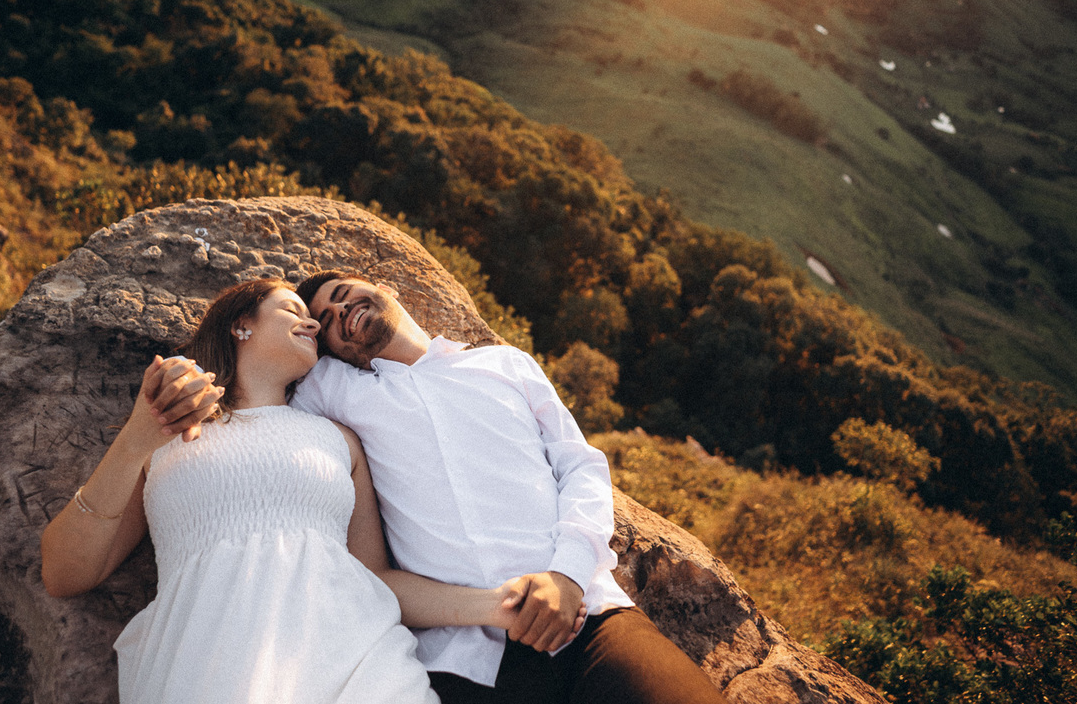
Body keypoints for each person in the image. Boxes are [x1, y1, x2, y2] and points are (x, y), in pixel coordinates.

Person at [40, 278, 564, 704]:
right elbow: (64, 574)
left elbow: (376, 578)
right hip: (210, 659)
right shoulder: (166, 437)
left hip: (359, 663)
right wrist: (136, 439)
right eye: (292, 308)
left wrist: (494, 605)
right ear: (240, 324)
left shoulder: (339, 439)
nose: (313, 322)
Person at [285, 270, 728, 704]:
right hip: (463, 656)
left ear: (385, 287)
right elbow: (263, 393)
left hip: (586, 616)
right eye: (325, 321)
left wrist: (568, 574)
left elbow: (581, 466)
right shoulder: (335, 391)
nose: (340, 310)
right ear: (332, 352)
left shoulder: (503, 362)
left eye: (343, 294)